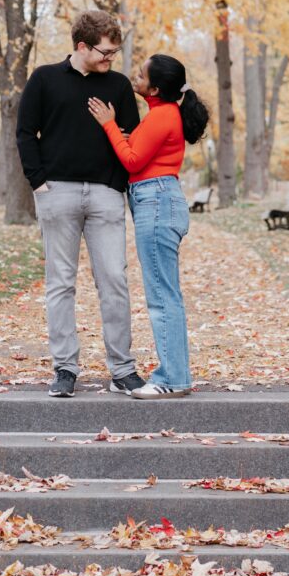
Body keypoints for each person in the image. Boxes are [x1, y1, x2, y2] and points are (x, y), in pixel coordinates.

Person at [16, 10, 146, 399]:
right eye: (105, 52)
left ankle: (122, 369)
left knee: (114, 280)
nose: (111, 59)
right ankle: (65, 368)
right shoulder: (44, 79)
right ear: (82, 46)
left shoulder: (118, 85)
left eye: (115, 52)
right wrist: (39, 183)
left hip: (106, 194)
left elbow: (133, 137)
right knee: (60, 283)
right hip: (57, 192)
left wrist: (117, 184)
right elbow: (25, 132)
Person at [88, 54, 209, 399]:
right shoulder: (161, 114)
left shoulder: (162, 115)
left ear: (154, 89)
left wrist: (109, 125)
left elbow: (131, 161)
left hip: (156, 203)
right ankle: (176, 376)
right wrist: (123, 135)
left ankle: (173, 379)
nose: (135, 77)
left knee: (161, 297)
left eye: (141, 75)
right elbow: (140, 152)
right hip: (157, 200)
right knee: (165, 293)